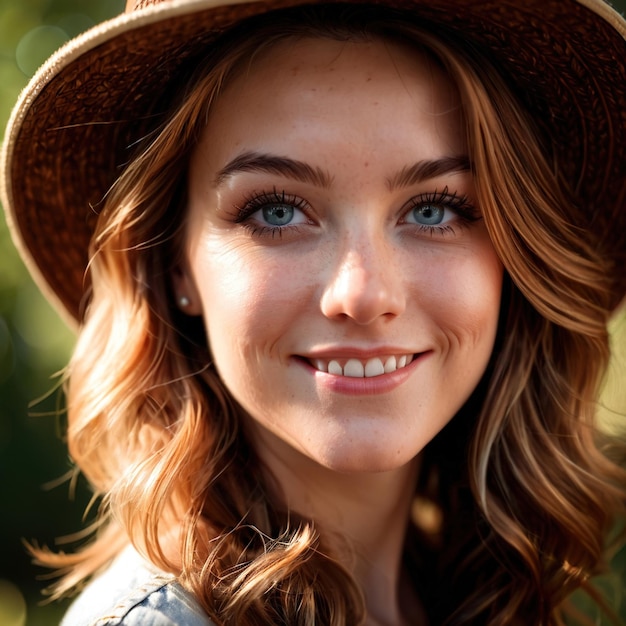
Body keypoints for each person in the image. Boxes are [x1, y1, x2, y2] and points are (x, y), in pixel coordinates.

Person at [2, 0, 626, 623]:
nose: (364, 294)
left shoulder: (470, 597)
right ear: (175, 264)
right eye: (276, 210)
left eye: (434, 209)